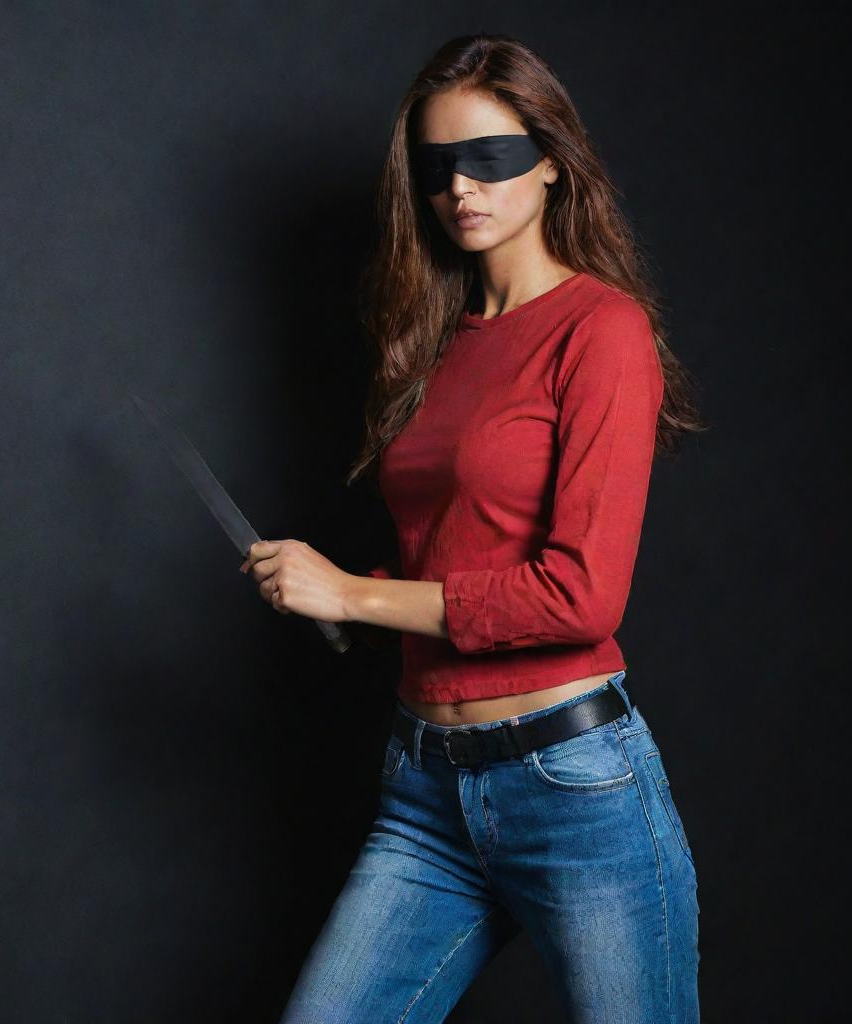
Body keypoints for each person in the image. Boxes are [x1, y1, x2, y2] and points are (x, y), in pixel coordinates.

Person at [242, 32, 706, 1024]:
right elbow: (455, 551)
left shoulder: (599, 329)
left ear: (550, 164)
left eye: (490, 158)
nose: (463, 187)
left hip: (571, 785)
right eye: (439, 163)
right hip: (425, 792)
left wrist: (352, 593)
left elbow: (578, 595)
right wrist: (321, 582)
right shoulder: (440, 344)